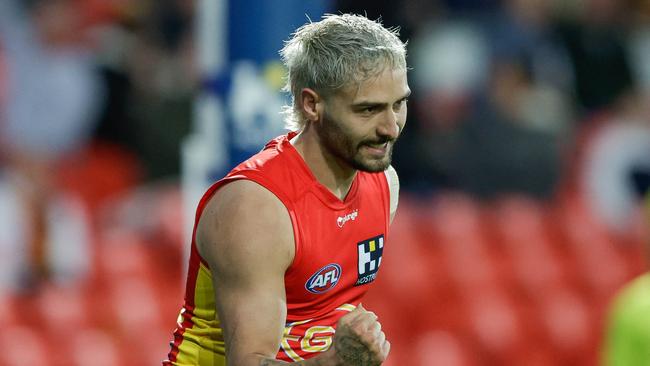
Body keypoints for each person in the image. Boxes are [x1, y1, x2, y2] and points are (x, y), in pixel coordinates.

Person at [164, 13, 410, 366]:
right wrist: (335, 362)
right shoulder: (256, 208)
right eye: (368, 109)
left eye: (398, 104)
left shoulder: (384, 183)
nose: (390, 127)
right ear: (312, 105)